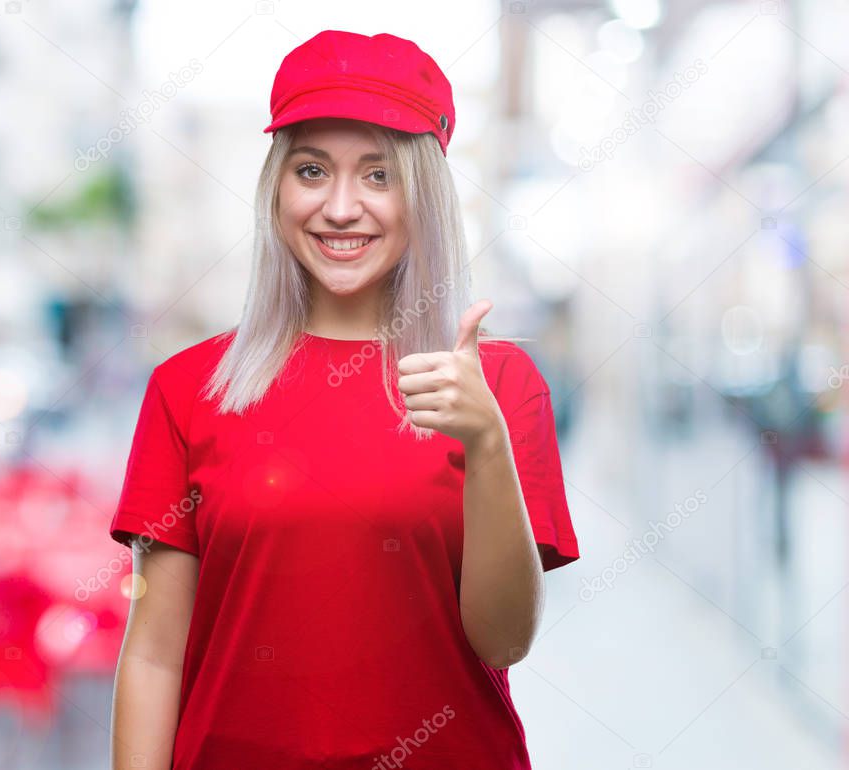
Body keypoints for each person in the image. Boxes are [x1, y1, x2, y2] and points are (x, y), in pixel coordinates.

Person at [108, 29, 580, 770]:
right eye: (311, 169)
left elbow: (505, 640)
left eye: (378, 175)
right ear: (277, 188)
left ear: (422, 193)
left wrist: (486, 444)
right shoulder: (191, 389)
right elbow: (155, 657)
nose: (339, 207)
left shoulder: (499, 386)